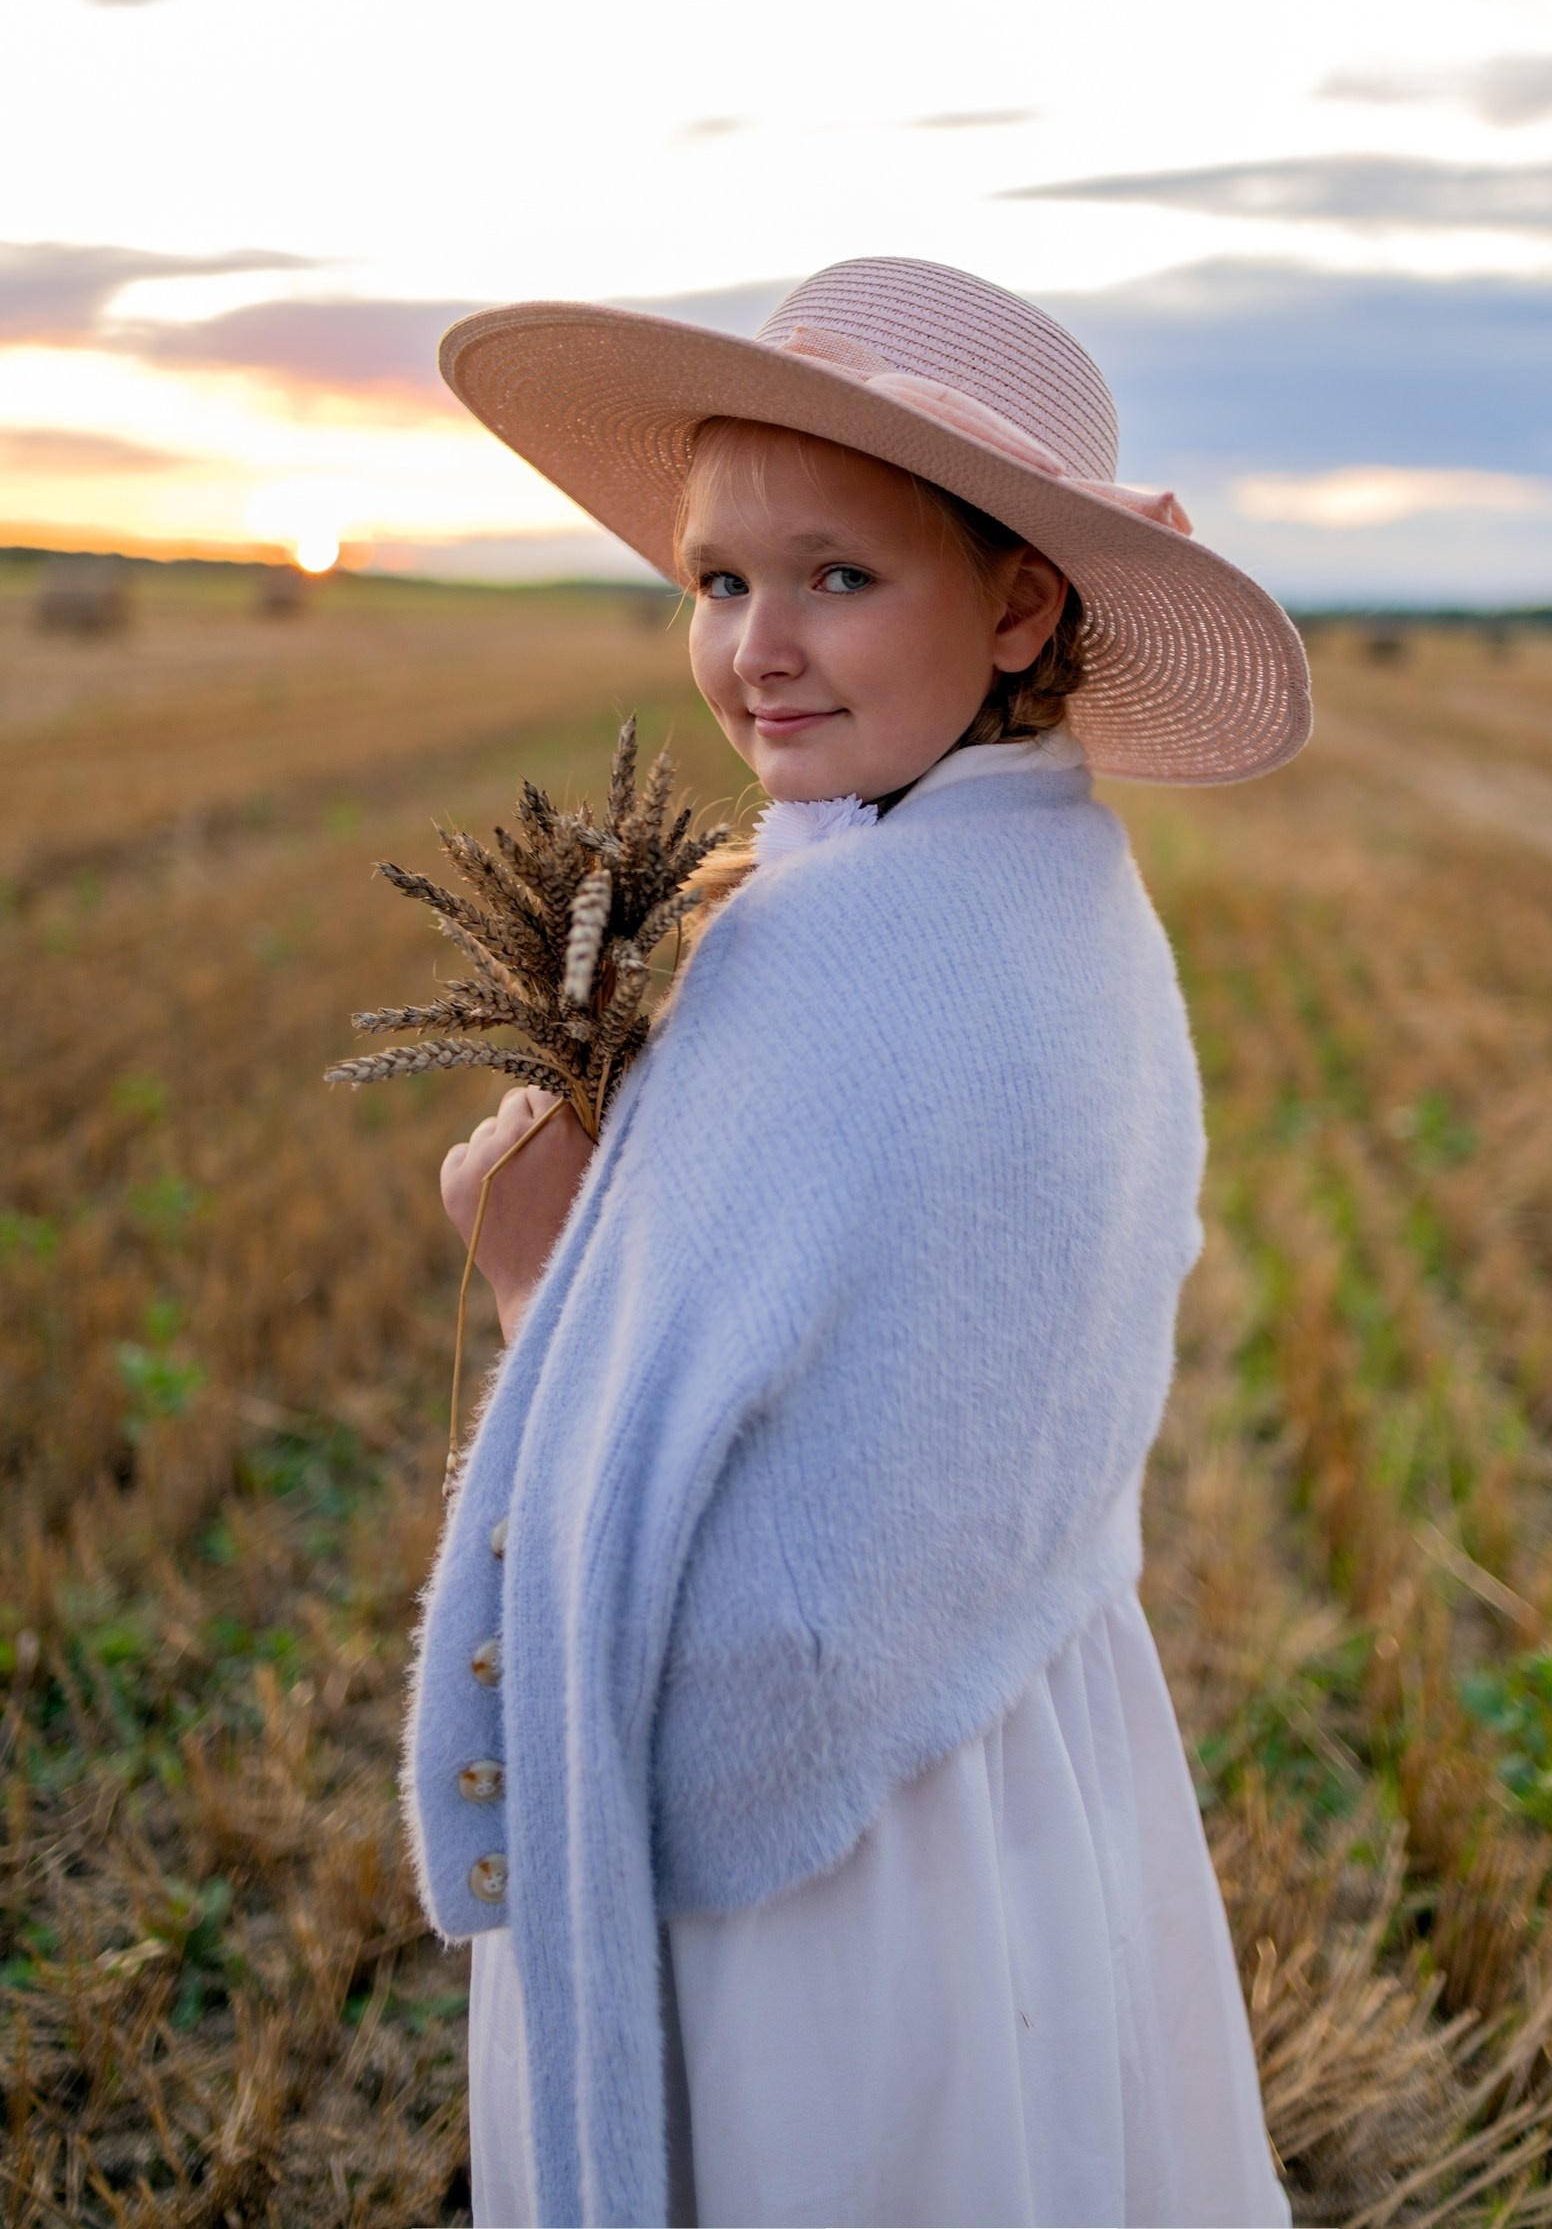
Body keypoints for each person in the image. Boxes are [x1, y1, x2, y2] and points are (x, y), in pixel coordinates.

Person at [404, 256, 1310, 2228]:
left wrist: (526, 1263)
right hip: (1013, 1759)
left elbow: (657, 1506)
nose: (757, 648)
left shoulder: (823, 960)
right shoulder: (1058, 892)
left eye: (836, 575)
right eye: (719, 581)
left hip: (819, 1854)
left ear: (1014, 599)